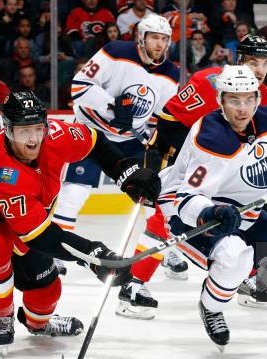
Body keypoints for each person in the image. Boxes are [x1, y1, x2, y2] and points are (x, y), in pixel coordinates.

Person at [0, 91, 160, 352]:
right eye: (23, 131)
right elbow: (40, 236)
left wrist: (127, 173)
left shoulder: (57, 135)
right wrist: (93, 254)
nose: (32, 139)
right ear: (7, 130)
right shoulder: (2, 171)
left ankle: (38, 324)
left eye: (38, 129)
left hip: (15, 210)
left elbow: (95, 142)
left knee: (47, 288)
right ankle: (1, 316)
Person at [158, 65, 267, 349]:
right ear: (220, 100)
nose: (243, 108)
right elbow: (186, 198)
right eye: (234, 100)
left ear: (258, 98)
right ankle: (212, 308)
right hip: (190, 211)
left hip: (245, 207)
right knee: (234, 257)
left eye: (249, 99)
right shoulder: (211, 137)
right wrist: (210, 212)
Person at [118, 35, 267, 320]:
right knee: (163, 220)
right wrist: (156, 161)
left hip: (230, 172)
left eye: (266, 63)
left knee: (243, 216)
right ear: (239, 59)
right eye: (254, 61)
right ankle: (133, 284)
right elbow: (169, 119)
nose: (260, 69)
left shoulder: (263, 96)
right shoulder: (209, 81)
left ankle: (244, 277)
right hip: (190, 164)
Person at [52, 14, 180, 273]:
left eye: (164, 39)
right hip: (91, 133)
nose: (159, 43)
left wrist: (155, 144)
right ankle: (55, 250)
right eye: (154, 37)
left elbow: (158, 116)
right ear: (141, 38)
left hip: (130, 140)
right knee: (74, 193)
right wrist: (112, 105)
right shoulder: (115, 52)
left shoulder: (170, 73)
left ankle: (161, 250)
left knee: (154, 195)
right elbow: (79, 86)